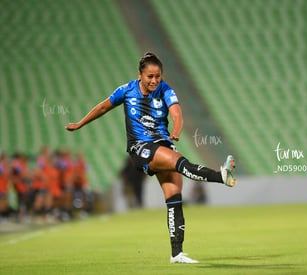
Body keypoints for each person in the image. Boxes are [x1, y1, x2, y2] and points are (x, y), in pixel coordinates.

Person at [65, 52, 236, 263]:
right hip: (141, 147)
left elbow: (176, 113)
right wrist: (80, 124)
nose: (154, 81)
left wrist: (177, 129)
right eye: (150, 77)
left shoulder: (166, 89)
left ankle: (177, 253)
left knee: (174, 197)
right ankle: (221, 176)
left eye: (158, 76)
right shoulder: (127, 90)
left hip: (163, 143)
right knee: (180, 162)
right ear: (140, 75)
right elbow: (103, 107)